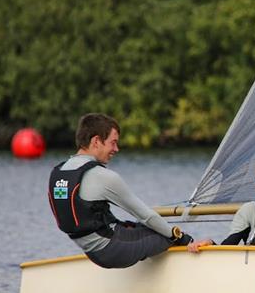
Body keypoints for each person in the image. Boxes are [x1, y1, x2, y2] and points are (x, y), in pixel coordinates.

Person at [48, 113, 193, 269]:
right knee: (167, 236)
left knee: (142, 228)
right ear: (96, 141)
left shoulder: (58, 172)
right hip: (112, 252)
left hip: (91, 251)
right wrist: (184, 238)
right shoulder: (102, 176)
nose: (116, 149)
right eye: (113, 143)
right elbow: (146, 215)